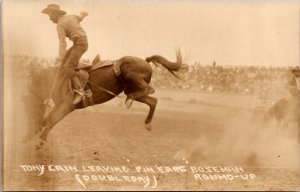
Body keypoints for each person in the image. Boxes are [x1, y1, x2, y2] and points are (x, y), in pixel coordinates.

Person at [41, 4, 89, 104]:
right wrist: (83, 15)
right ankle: (80, 84)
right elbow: (79, 18)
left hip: (79, 44)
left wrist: (60, 56)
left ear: (55, 14)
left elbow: (62, 42)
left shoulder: (60, 25)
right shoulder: (72, 16)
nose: (50, 19)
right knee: (66, 64)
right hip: (81, 43)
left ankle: (80, 91)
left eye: (50, 16)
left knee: (67, 67)